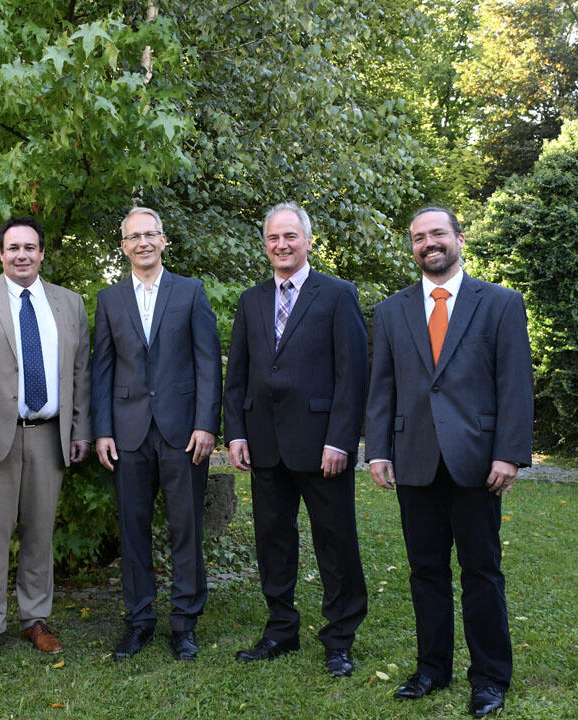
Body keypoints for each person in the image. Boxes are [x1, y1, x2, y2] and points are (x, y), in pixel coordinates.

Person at [366, 207, 533, 717]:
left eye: (437, 233)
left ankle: (489, 677)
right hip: (414, 458)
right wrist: (377, 449)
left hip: (477, 461)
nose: (428, 243)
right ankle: (432, 669)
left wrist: (509, 453)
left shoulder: (500, 304)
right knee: (426, 571)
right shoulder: (391, 311)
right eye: (419, 237)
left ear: (459, 238)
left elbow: (515, 384)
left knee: (481, 571)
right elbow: (383, 387)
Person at [223, 202, 369, 677]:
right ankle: (280, 629)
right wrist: (237, 431)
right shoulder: (251, 300)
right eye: (272, 238)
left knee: (335, 540)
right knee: (273, 540)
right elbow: (238, 375)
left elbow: (352, 375)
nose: (281, 245)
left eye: (290, 236)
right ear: (264, 244)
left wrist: (341, 440)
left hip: (322, 445)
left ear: (308, 240)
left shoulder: (337, 294)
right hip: (265, 443)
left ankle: (339, 637)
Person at [0, 216, 91, 663]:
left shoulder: (69, 304)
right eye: (13, 248)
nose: (22, 255)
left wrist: (80, 429)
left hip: (50, 436)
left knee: (40, 533)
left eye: (30, 247)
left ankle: (35, 619)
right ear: (1, 253)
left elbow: (80, 374)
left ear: (43, 253)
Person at [91, 206, 222, 662]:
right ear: (123, 246)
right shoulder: (108, 301)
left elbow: (209, 362)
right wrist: (102, 430)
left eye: (151, 234)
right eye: (134, 236)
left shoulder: (190, 292)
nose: (143, 242)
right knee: (133, 529)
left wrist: (207, 423)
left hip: (183, 432)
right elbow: (101, 369)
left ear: (164, 240)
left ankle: (184, 624)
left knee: (186, 529)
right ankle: (140, 620)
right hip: (127, 433)